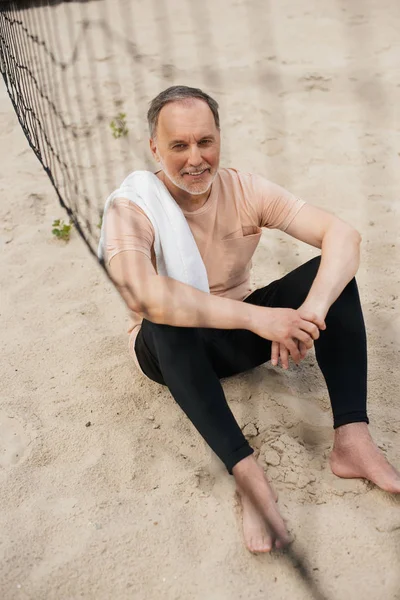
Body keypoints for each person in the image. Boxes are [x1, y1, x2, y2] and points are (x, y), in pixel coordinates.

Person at [104, 85, 400, 553]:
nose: (195, 158)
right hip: (170, 353)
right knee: (166, 315)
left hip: (238, 335)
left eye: (206, 141)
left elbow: (343, 234)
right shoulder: (131, 208)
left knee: (334, 277)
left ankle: (353, 440)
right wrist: (261, 320)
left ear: (220, 138)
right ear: (155, 148)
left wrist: (309, 314)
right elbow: (146, 295)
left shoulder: (244, 188)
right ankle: (247, 474)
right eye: (179, 145)